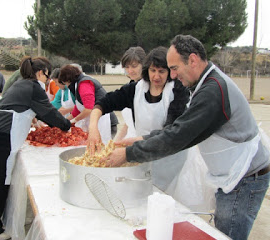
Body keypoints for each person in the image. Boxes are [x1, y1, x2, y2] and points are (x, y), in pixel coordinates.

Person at [103, 35, 270, 240]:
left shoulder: (213, 90)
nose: (172, 75)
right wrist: (141, 140)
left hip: (244, 176)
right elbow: (180, 127)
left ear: (192, 60)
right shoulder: (204, 83)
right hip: (231, 173)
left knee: (227, 234)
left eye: (174, 68)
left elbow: (178, 136)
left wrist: (129, 154)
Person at [0, 56, 71, 240]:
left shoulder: (22, 83)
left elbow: (22, 107)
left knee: (0, 177)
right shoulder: (34, 87)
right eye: (47, 75)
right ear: (41, 72)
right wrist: (66, 126)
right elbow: (48, 113)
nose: (48, 80)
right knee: (1, 179)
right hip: (4, 134)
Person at [88, 46, 190, 191]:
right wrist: (93, 127)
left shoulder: (178, 91)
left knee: (168, 198)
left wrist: (135, 142)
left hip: (172, 156)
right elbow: (104, 103)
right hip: (144, 152)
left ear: (170, 72)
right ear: (147, 70)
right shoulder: (136, 89)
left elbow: (171, 130)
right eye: (153, 71)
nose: (156, 76)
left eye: (162, 71)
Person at [58, 64, 114, 143]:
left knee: (99, 145)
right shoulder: (78, 84)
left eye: (65, 83)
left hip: (100, 120)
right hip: (92, 120)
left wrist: (74, 120)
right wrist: (66, 120)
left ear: (68, 79)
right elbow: (79, 107)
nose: (66, 85)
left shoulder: (84, 84)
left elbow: (88, 109)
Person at [115, 46, 146, 141]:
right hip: (129, 139)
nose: (130, 71)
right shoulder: (129, 87)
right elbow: (128, 123)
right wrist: (115, 141)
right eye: (127, 67)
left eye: (134, 66)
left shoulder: (150, 89)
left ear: (144, 64)